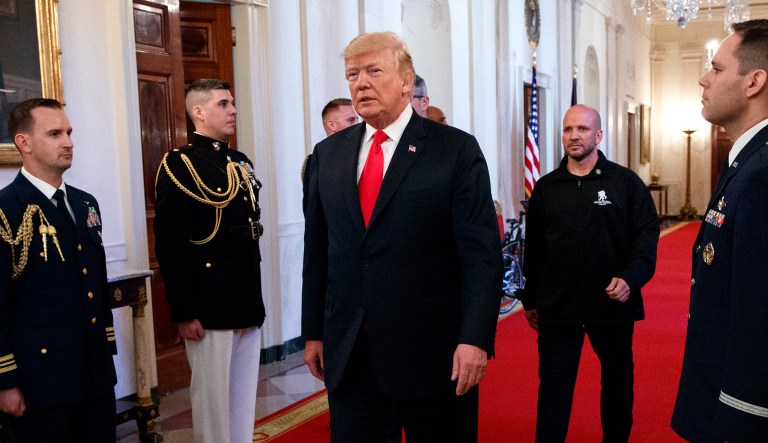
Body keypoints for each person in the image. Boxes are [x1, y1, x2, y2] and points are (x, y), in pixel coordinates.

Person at [302, 31, 502, 442]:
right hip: (352, 353)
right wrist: (314, 332)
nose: (361, 83)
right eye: (352, 74)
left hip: (435, 354)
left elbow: (480, 255)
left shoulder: (455, 150)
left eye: (374, 71)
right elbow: (319, 249)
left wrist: (475, 338)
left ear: (407, 80)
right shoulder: (329, 155)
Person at [519, 104, 659, 443]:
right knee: (554, 388)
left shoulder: (625, 184)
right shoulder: (547, 188)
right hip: (558, 307)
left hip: (611, 306)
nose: (574, 136)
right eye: (568, 129)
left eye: (582, 129)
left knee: (617, 382)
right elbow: (535, 248)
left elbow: (646, 238)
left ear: (598, 135)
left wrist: (631, 278)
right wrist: (530, 298)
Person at [671, 19, 768, 442]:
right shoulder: (748, 164)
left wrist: (738, 417)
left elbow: (757, 315)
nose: (703, 79)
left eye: (716, 68)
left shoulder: (762, 174)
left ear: (754, 82)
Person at [154, 79, 265, 443]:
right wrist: (184, 313)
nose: (232, 110)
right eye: (222, 104)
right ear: (198, 112)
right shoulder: (179, 165)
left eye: (232, 102)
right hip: (209, 303)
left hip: (245, 298)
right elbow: (171, 246)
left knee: (242, 398)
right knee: (212, 403)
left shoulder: (238, 161)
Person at [0, 98, 117, 442]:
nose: (68, 142)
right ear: (24, 143)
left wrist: (105, 350)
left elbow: (95, 281)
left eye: (68, 132)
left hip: (94, 372)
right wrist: (6, 382)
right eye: (54, 134)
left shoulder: (84, 203)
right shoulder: (7, 209)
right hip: (42, 381)